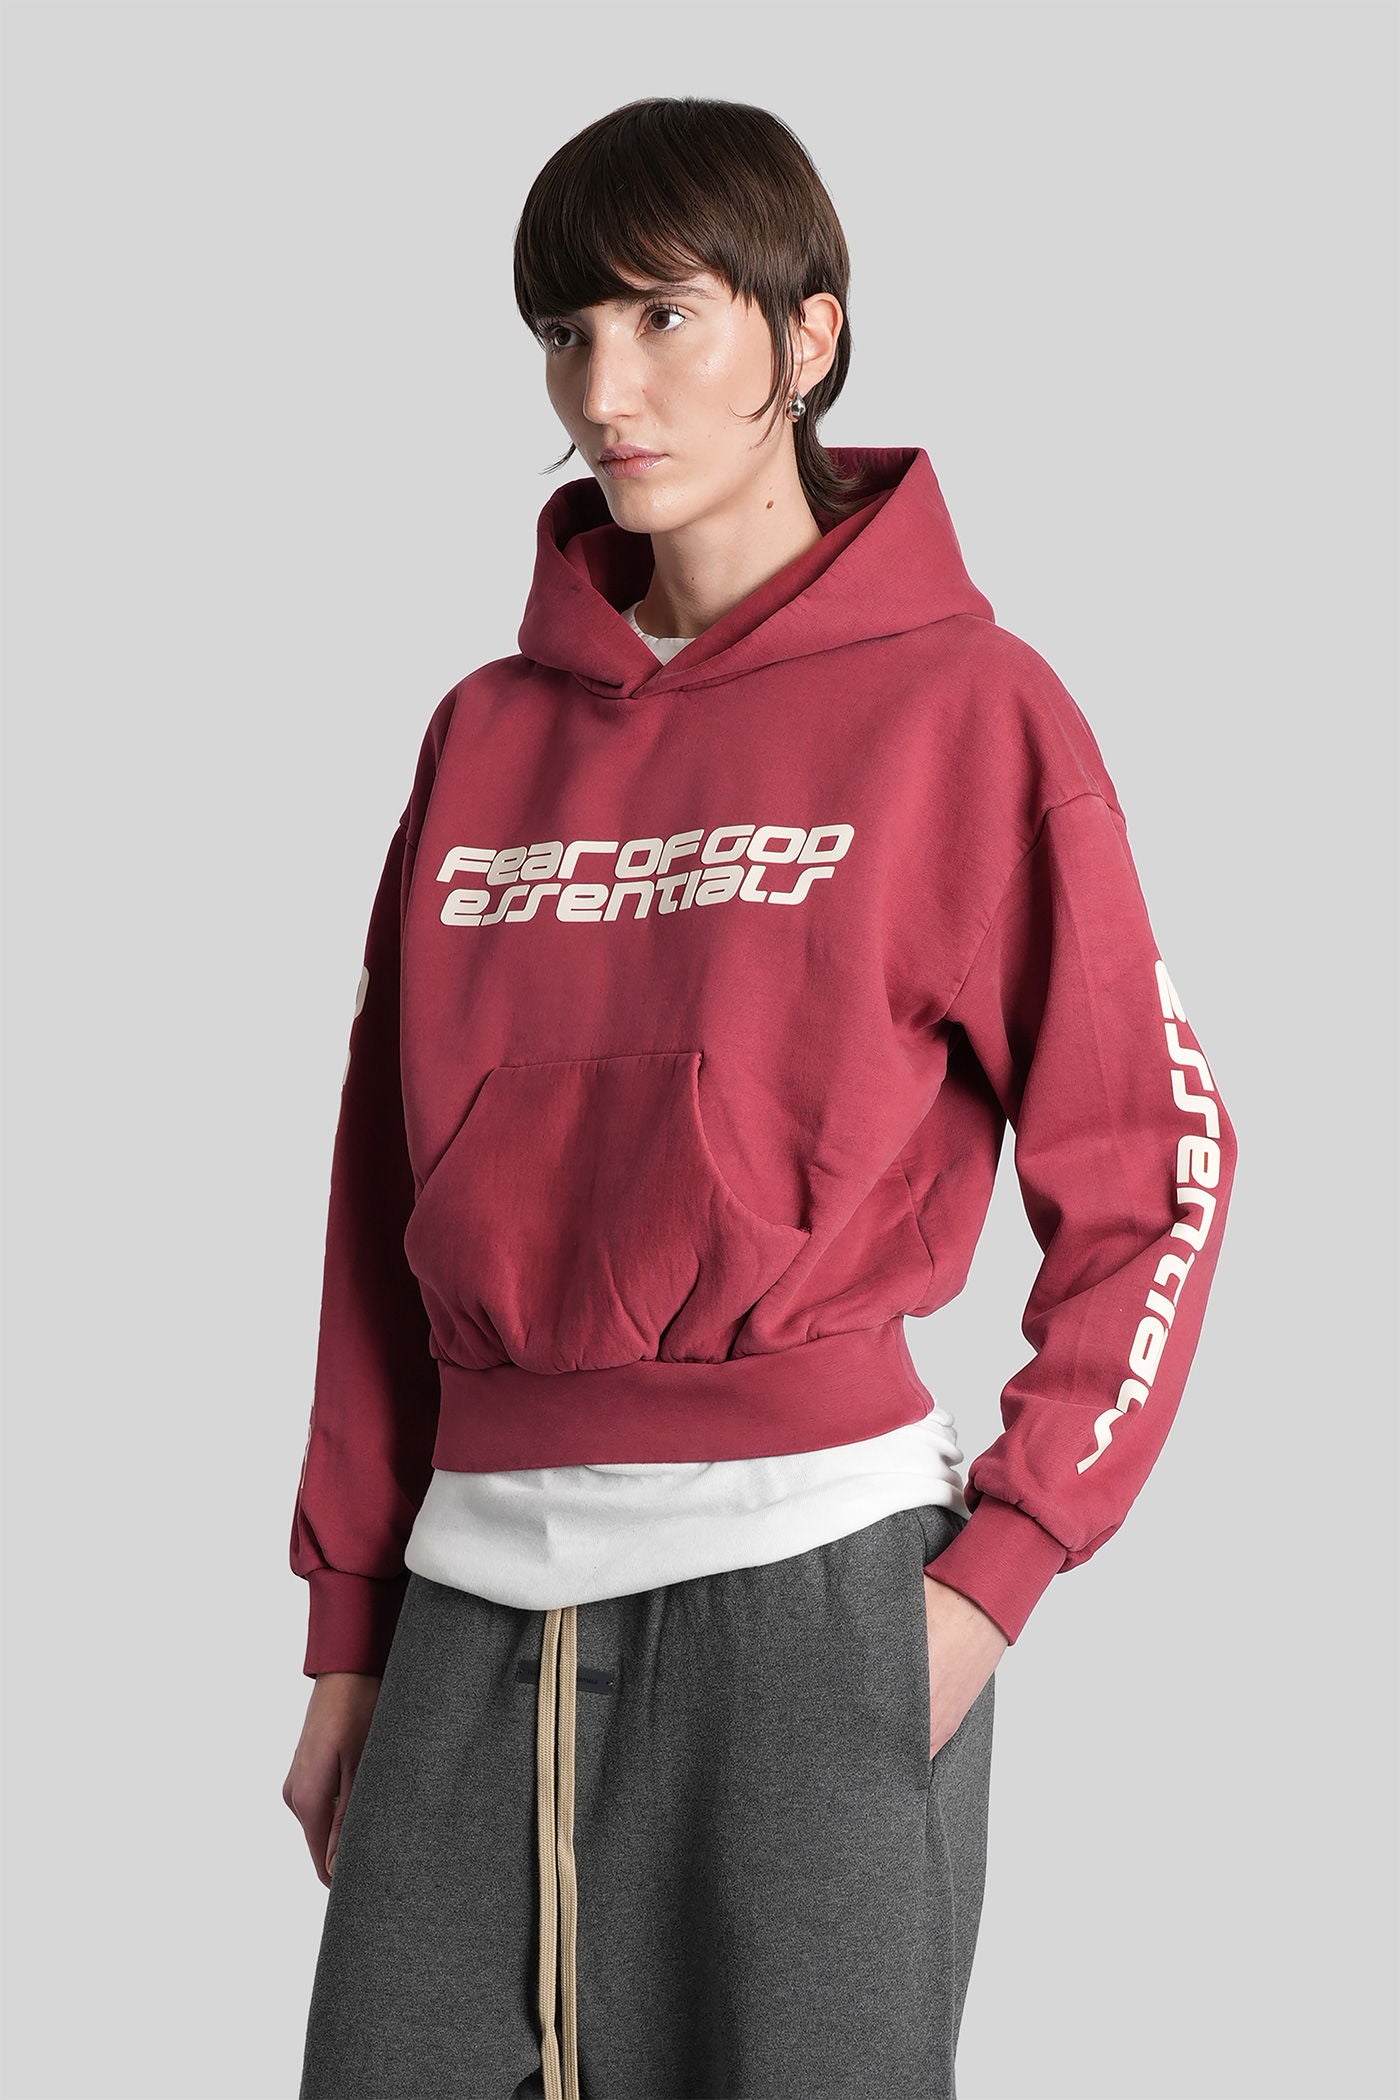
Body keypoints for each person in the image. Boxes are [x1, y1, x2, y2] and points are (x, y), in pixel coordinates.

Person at [284, 94, 1239, 2100]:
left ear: (807, 337)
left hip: (813, 1600)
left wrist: (998, 1574)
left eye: (664, 319)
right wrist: (351, 1626)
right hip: (465, 1607)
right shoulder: (482, 735)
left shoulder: (971, 711)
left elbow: (1155, 1172)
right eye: (567, 332)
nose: (603, 392)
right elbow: (378, 1208)